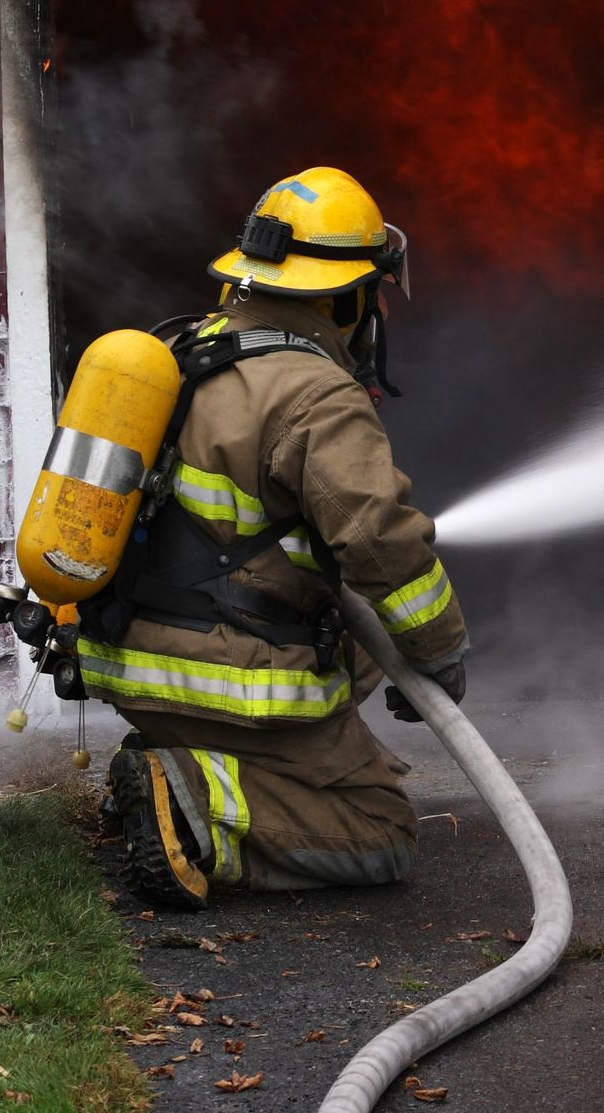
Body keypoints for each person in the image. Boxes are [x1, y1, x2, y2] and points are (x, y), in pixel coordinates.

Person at [84, 166, 468, 909]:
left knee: (351, 647)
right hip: (227, 678)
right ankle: (197, 802)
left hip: (129, 656)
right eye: (372, 290)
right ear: (349, 294)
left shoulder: (180, 351)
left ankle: (179, 765)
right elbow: (381, 542)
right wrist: (438, 652)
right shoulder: (314, 392)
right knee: (377, 829)